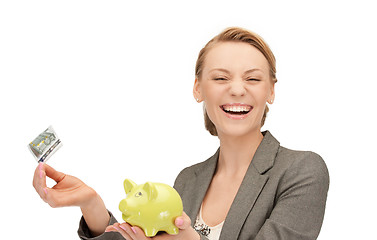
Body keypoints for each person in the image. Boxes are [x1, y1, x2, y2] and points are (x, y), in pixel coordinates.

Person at [33, 27, 329, 240]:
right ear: (198, 88)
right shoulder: (187, 180)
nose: (237, 89)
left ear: (271, 91)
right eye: (220, 77)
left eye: (253, 78)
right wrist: (91, 204)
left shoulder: (302, 170)